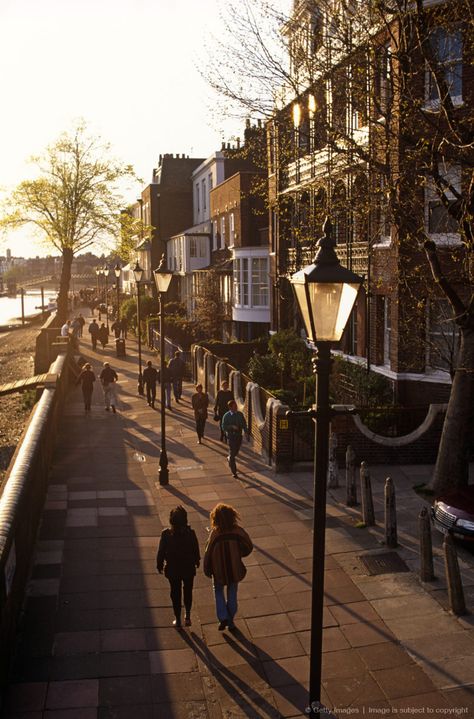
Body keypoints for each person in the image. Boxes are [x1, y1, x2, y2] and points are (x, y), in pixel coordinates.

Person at [203, 503, 253, 631]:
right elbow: (248, 545)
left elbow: (208, 552)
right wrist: (239, 553)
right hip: (234, 568)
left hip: (218, 569)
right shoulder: (237, 531)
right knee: (232, 593)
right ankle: (230, 620)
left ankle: (223, 617)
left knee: (218, 591)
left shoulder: (215, 534)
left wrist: (207, 569)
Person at [156, 505, 200, 629]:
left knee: (175, 593)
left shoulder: (166, 534)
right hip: (188, 568)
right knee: (188, 591)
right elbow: (195, 549)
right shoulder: (191, 533)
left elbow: (161, 552)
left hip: (173, 569)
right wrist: (197, 561)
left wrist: (159, 564)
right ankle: (188, 616)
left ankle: (178, 619)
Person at [221, 400, 250, 478]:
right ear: (230, 407)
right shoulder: (226, 416)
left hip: (238, 436)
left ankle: (229, 457)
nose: (236, 408)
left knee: (235, 452)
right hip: (231, 437)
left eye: (236, 406)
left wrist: (246, 432)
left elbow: (244, 424)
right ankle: (234, 472)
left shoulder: (240, 414)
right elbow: (223, 427)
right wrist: (231, 427)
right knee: (233, 453)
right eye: (234, 406)